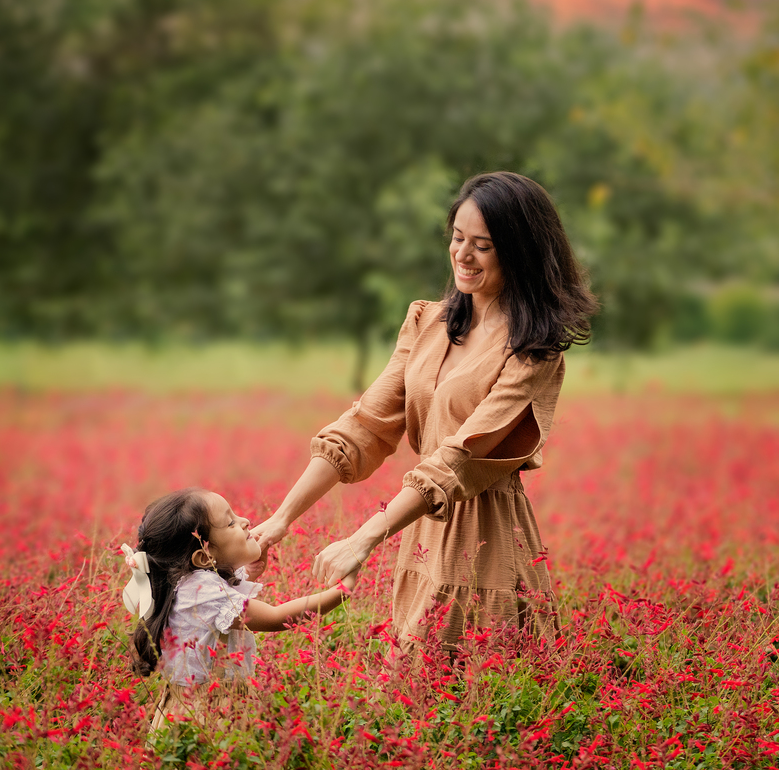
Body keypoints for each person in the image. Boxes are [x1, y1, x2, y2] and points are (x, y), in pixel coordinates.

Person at [251, 171, 598, 648]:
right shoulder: (428, 322)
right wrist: (281, 518)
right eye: (457, 238)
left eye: (483, 245)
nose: (463, 255)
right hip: (422, 530)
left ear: (520, 252)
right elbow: (363, 426)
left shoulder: (533, 350)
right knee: (417, 681)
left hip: (487, 536)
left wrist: (364, 538)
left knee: (482, 677)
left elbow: (460, 457)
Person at [120, 487, 357, 731]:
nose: (245, 521)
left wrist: (250, 569)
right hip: (208, 715)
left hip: (193, 705)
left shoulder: (190, 583)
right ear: (204, 557)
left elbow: (223, 592)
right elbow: (277, 617)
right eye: (231, 522)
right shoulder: (203, 594)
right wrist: (342, 591)